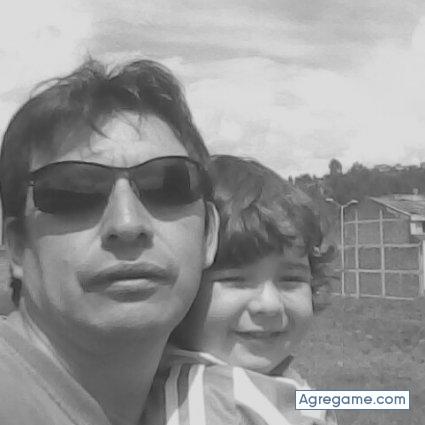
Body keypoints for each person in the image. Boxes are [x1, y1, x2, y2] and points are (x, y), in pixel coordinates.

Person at [0, 59, 219, 425]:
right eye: (73, 191)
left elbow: (316, 401)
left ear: (209, 235)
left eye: (167, 184)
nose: (128, 224)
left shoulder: (213, 394)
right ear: (18, 247)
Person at [142, 155, 337, 425]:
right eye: (236, 280)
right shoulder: (202, 404)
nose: (269, 305)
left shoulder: (256, 381)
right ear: (184, 290)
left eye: (291, 279)